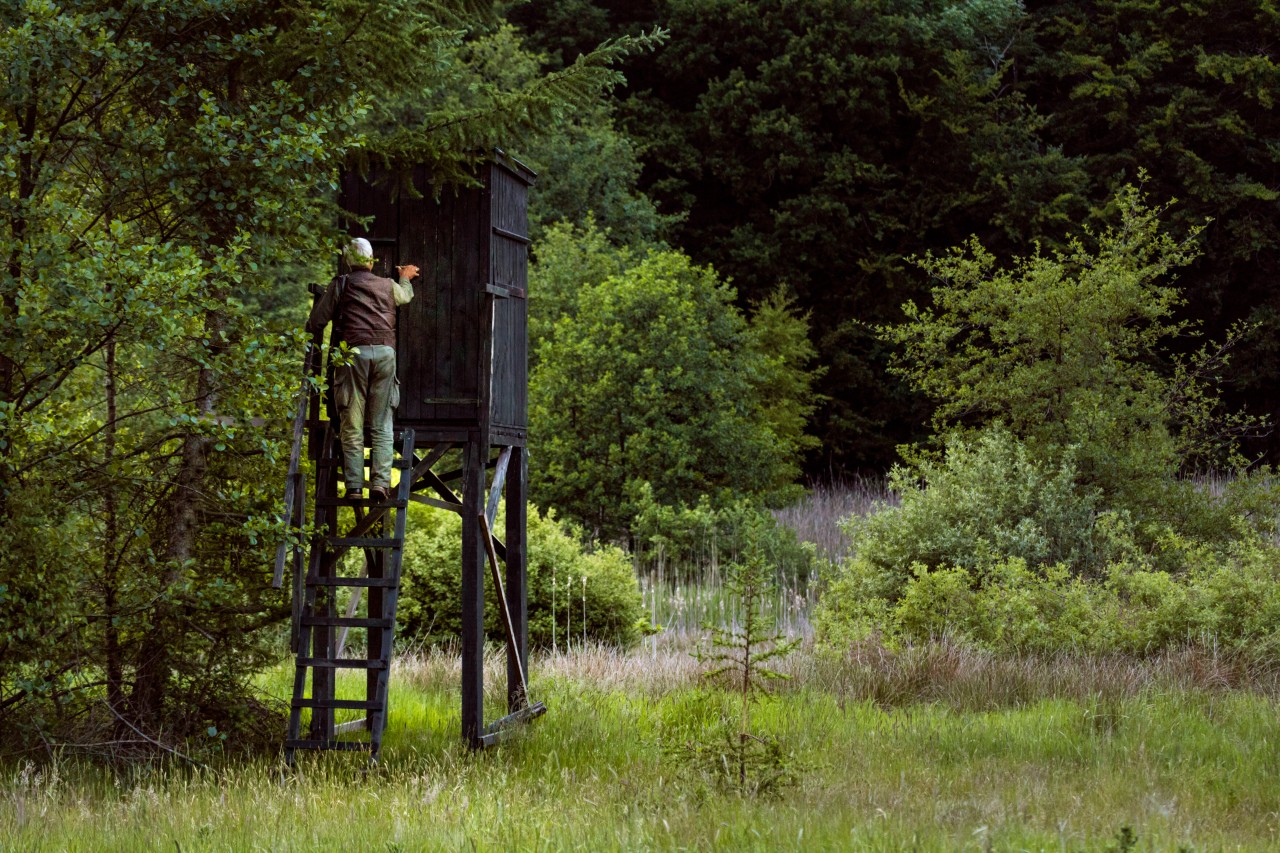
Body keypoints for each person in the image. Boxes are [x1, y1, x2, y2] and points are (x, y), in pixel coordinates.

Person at [307, 237, 420, 502]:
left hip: (353, 356)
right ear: (371, 262)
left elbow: (317, 322)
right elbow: (405, 297)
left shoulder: (341, 283)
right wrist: (405, 277)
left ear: (348, 261)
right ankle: (381, 483)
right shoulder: (387, 285)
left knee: (352, 422)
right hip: (385, 354)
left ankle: (355, 486)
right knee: (382, 423)